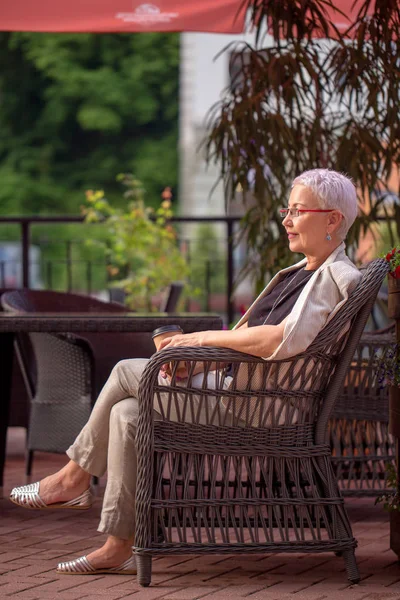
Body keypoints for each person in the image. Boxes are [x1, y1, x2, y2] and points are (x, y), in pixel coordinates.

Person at [10, 168, 361, 576]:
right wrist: (193, 364)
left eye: (297, 211)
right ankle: (118, 543)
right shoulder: (297, 273)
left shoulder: (335, 276)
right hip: (233, 391)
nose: (286, 220)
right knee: (127, 415)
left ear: (332, 219)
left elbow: (280, 341)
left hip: (258, 408)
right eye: (288, 210)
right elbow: (250, 338)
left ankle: (72, 479)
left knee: (127, 370)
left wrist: (197, 341)